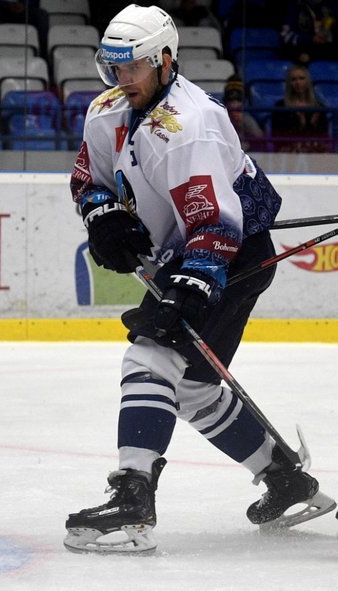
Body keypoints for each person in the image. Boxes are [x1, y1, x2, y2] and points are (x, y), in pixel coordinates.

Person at [64, 4, 335, 555]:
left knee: (150, 356)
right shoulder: (106, 110)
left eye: (133, 67)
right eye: (114, 67)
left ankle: (132, 499)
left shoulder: (192, 126)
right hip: (183, 251)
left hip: (233, 257)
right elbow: (85, 178)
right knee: (191, 387)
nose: (122, 79)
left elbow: (215, 225)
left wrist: (190, 289)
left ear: (165, 60)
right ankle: (286, 481)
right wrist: (104, 216)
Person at [271, 64, 330, 153]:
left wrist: (312, 125)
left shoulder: (319, 106)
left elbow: (324, 137)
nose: (298, 83)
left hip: (315, 151)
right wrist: (300, 125)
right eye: (293, 79)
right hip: (289, 151)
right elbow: (277, 137)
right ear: (289, 83)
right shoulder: (280, 106)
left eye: (301, 78)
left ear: (308, 81)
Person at [279, 0, 338, 64]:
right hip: (302, 50)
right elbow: (286, 36)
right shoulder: (294, 7)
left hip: (327, 49)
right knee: (303, 58)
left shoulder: (331, 5)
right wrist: (311, 38)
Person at [222, 77, 265, 152]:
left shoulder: (247, 120)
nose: (235, 113)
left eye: (238, 109)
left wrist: (240, 125)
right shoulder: (221, 118)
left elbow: (260, 139)